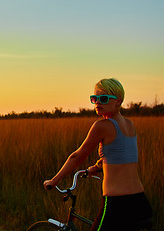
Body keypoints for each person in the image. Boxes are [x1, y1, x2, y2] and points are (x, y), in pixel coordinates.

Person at [43, 78, 152, 231]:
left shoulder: (101, 126)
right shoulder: (129, 124)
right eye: (94, 98)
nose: (97, 103)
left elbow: (77, 157)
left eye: (103, 98)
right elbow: (121, 156)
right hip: (140, 202)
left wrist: (54, 181)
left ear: (118, 101)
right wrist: (97, 166)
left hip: (117, 203)